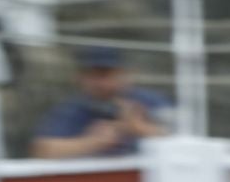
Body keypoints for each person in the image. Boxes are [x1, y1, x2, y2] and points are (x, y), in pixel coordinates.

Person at [31, 48, 170, 160]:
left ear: (125, 74)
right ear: (81, 78)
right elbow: (42, 150)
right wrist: (93, 142)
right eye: (93, 75)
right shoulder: (72, 109)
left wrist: (138, 127)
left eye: (107, 74)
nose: (100, 83)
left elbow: (181, 139)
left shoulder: (149, 101)